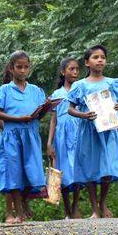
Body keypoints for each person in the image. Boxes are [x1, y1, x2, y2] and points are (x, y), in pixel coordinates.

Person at [67, 45, 118, 218]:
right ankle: (94, 209)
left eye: (102, 57)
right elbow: (70, 109)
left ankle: (103, 202)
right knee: (91, 167)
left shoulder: (112, 83)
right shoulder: (80, 85)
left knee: (107, 168)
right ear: (87, 62)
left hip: (108, 130)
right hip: (89, 131)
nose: (100, 60)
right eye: (95, 57)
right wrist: (83, 114)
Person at [0, 50, 48, 224]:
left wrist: (45, 108)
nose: (23, 71)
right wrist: (19, 119)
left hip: (30, 136)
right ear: (11, 68)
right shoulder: (3, 91)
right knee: (13, 172)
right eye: (19, 67)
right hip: (12, 137)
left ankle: (23, 204)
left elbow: (39, 115)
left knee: (32, 171)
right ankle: (17, 211)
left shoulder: (36, 90)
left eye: (26, 67)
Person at [47, 56, 82, 219]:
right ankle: (67, 209)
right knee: (63, 171)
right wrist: (49, 143)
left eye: (77, 69)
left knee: (77, 170)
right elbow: (53, 120)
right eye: (71, 69)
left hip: (78, 133)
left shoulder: (81, 90)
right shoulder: (57, 94)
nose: (75, 72)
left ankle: (76, 206)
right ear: (63, 72)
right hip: (61, 136)